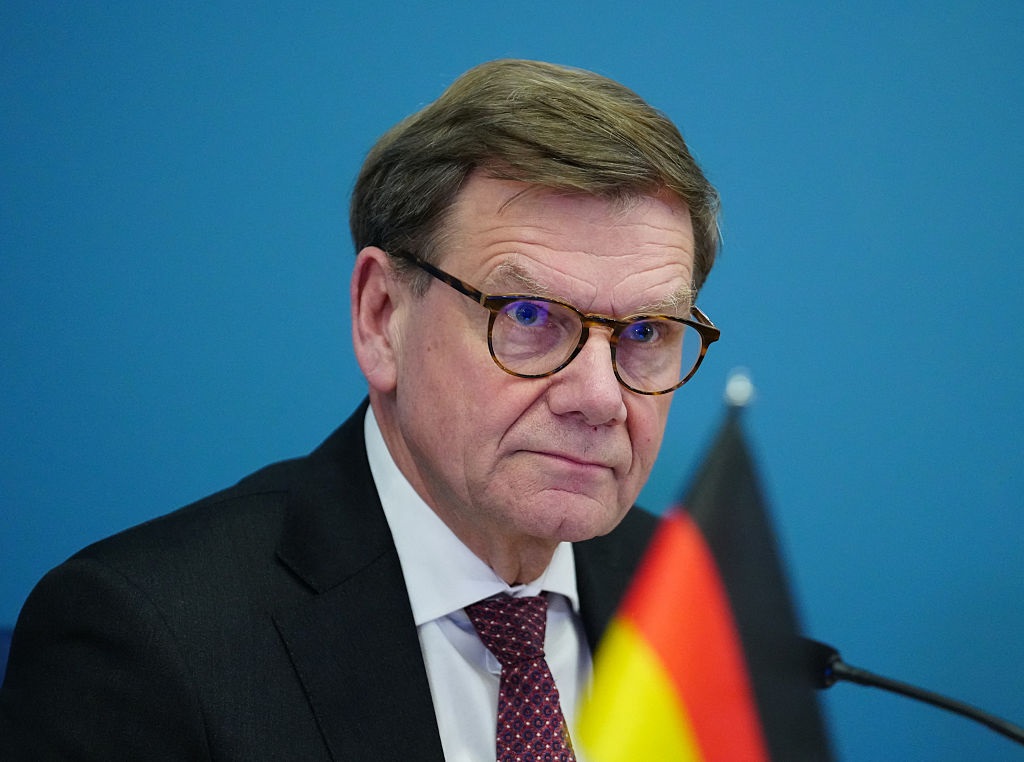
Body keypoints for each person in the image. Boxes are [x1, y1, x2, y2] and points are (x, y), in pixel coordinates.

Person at [0, 59, 720, 760]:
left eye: (646, 332)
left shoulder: (700, 602)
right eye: (528, 315)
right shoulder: (147, 637)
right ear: (382, 316)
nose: (598, 397)